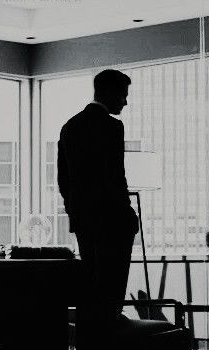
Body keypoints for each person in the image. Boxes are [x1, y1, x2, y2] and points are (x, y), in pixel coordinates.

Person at [57, 69, 139, 326]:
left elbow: (63, 180)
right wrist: (127, 213)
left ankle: (94, 343)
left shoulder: (69, 126)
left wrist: (75, 211)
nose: (125, 102)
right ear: (108, 92)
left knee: (92, 282)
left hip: (84, 220)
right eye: (123, 95)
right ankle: (110, 338)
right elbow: (115, 175)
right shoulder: (112, 127)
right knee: (113, 285)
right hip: (112, 219)